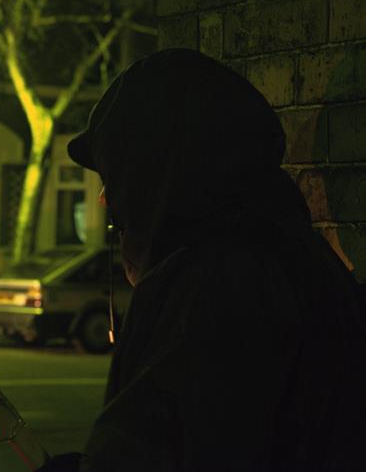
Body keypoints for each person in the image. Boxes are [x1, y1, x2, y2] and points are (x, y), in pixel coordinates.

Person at [44, 49, 366, 471]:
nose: (106, 201)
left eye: (114, 178)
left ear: (155, 173)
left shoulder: (215, 286)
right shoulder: (298, 258)